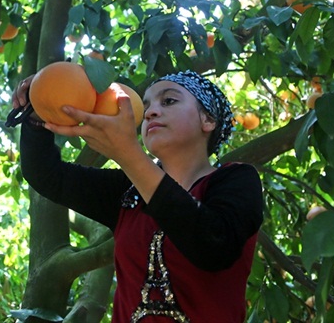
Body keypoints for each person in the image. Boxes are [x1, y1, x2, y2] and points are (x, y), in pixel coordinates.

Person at [13, 69, 264, 322]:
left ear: (207, 120)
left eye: (168, 101)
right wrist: (38, 112)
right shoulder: (127, 191)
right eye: (145, 109)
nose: (151, 112)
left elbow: (213, 245)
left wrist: (128, 155)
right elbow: (46, 175)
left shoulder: (236, 180)